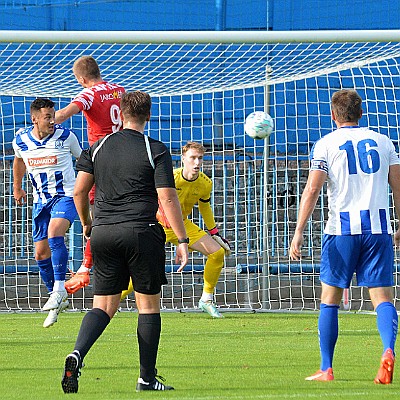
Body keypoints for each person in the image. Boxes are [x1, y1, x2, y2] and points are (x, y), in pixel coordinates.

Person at [61, 91, 189, 394]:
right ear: (148, 115)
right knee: (147, 306)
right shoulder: (154, 148)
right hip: (141, 232)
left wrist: (89, 224)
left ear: (119, 111)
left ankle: (77, 353)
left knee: (104, 305)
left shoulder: (98, 146)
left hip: (104, 232)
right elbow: (167, 196)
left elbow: (79, 192)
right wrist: (182, 239)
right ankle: (146, 377)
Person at [289, 89, 400, 384]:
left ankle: (327, 367)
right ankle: (388, 350)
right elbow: (398, 187)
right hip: (378, 231)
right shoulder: (384, 142)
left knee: (330, 299)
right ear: (361, 113)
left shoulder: (326, 144)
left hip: (341, 232)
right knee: (383, 299)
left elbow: (312, 189)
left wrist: (298, 230)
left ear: (334, 115)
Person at [121, 141, 231, 318]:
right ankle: (114, 298)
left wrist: (214, 232)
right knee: (144, 268)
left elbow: (205, 207)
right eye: (193, 158)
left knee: (217, 253)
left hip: (182, 225)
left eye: (200, 158)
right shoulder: (170, 178)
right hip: (158, 225)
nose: (197, 163)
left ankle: (206, 299)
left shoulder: (205, 183)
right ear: (183, 159)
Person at [55, 55, 125, 294]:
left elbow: (65, 114)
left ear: (82, 79)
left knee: (93, 211)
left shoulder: (87, 94)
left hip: (101, 157)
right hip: (125, 153)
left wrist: (45, 121)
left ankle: (86, 268)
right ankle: (94, 265)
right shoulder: (119, 89)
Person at [12, 98, 82, 328]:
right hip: (40, 201)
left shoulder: (66, 137)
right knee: (41, 255)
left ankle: (60, 288)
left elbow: (83, 161)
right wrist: (17, 186)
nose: (52, 120)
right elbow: (19, 160)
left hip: (66, 197)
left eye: (53, 116)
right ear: (34, 119)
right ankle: (57, 297)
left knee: (55, 233)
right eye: (47, 117)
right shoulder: (21, 140)